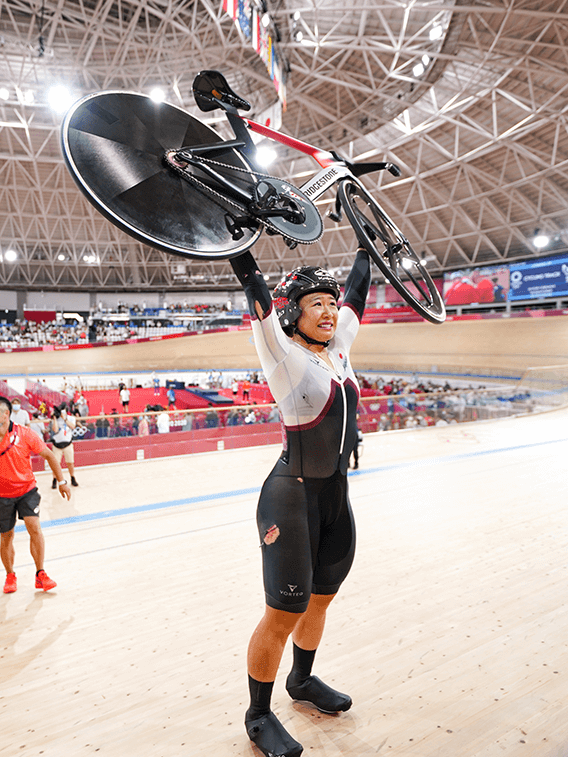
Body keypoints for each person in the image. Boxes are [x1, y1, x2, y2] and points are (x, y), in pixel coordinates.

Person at [229, 247, 371, 757]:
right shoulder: (282, 353)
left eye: (330, 305)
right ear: (294, 313)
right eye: (317, 304)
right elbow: (256, 292)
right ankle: (258, 714)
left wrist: (363, 240)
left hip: (335, 494)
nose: (330, 312)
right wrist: (237, 243)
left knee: (321, 598)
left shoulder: (338, 349)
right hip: (291, 497)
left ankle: (302, 681)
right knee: (282, 613)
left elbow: (357, 290)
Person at [0, 396, 71, 594]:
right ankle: (10, 575)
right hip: (0, 496)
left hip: (27, 491)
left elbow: (50, 456)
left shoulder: (26, 434)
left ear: (6, 414)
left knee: (34, 527)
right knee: (7, 536)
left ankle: (40, 573)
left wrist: (62, 482)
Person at [49, 405, 79, 488]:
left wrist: (64, 419)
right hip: (57, 445)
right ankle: (54, 479)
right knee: (56, 463)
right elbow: (55, 429)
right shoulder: (55, 419)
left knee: (70, 463)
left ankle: (72, 477)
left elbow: (73, 426)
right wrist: (54, 418)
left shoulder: (71, 418)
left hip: (68, 444)